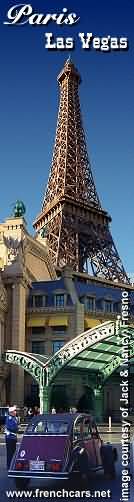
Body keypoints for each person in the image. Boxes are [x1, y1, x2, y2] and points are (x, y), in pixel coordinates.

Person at [5, 405, 18, 469]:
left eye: (15, 411)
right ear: (10, 412)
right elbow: (11, 428)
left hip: (13, 437)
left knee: (13, 452)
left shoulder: (14, 418)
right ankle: (9, 465)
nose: (15, 412)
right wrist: (16, 428)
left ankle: (12, 465)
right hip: (10, 438)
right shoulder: (9, 418)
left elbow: (16, 427)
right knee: (10, 453)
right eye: (14, 411)